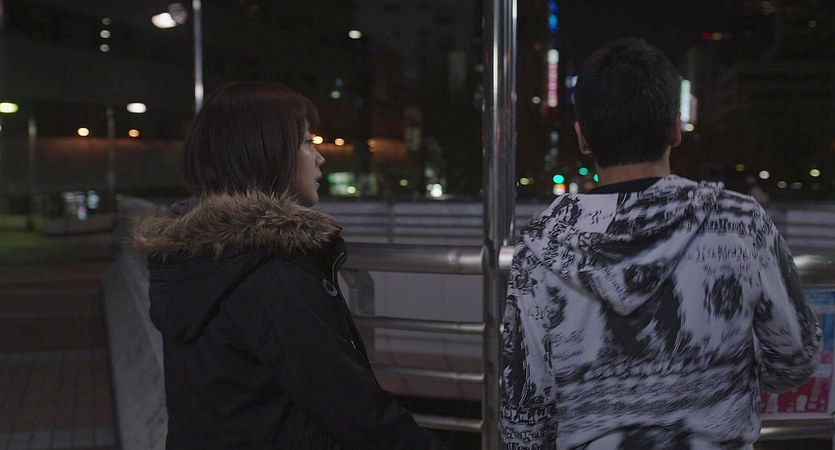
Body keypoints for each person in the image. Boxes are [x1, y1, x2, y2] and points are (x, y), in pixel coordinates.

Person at [500, 38, 821, 450]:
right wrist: (729, 383)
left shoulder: (540, 248)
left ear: (583, 138)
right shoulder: (740, 222)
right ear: (674, 129)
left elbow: (524, 412)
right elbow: (795, 357)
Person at [131, 82, 447, 449]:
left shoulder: (202, 260)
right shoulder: (272, 275)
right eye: (308, 142)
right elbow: (358, 412)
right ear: (266, 153)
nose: (320, 157)